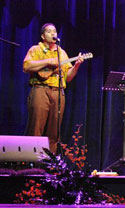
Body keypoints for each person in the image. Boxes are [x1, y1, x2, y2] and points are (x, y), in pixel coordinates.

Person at [23, 23, 84, 154]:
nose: (53, 34)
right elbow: (26, 66)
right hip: (40, 89)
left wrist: (77, 66)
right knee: (36, 128)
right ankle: (32, 162)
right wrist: (47, 62)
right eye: (49, 31)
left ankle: (50, 162)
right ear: (42, 36)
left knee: (54, 130)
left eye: (55, 31)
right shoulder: (36, 49)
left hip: (58, 92)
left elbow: (68, 77)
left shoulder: (62, 53)